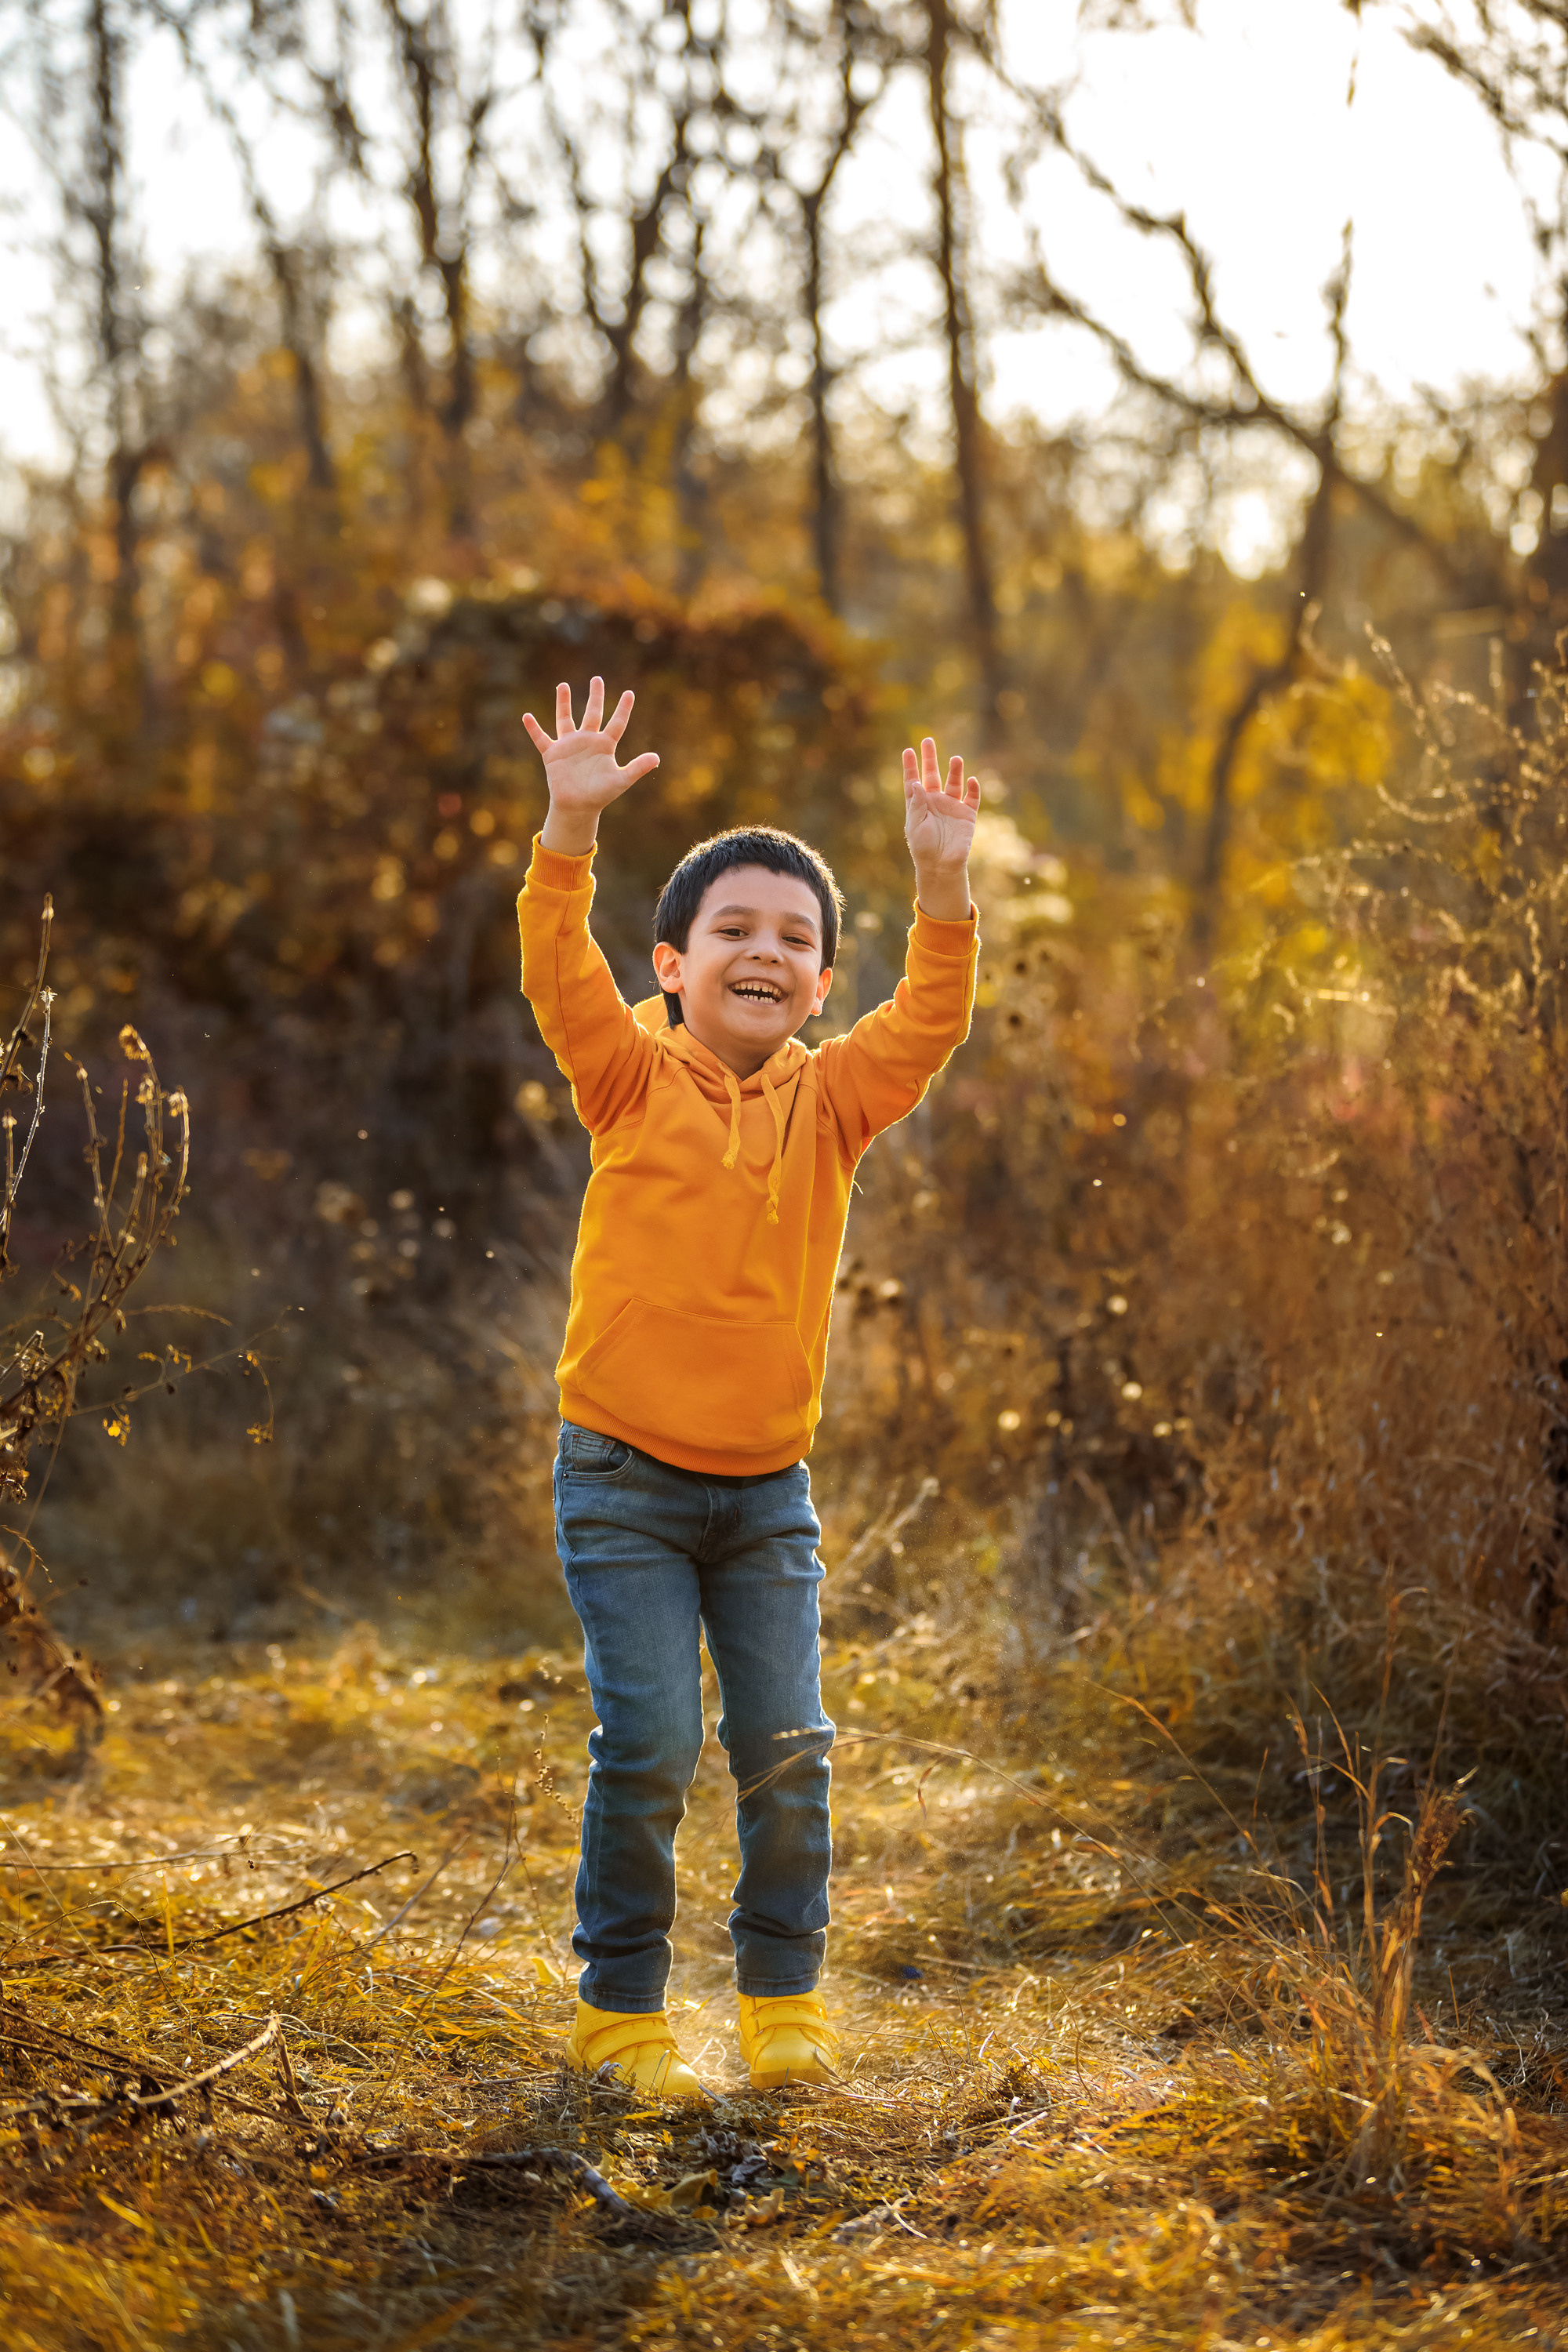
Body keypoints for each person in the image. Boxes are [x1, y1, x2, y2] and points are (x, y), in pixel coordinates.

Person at [517, 675, 980, 2096]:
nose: (765, 950)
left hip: (766, 1493)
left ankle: (784, 1995)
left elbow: (934, 1019)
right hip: (623, 1487)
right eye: (735, 930)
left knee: (788, 1748)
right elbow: (555, 968)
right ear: (672, 962)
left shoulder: (835, 1096)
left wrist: (938, 883)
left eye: (795, 937)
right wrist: (568, 835)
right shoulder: (624, 1078)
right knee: (649, 1740)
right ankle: (624, 2012)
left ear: (825, 981)